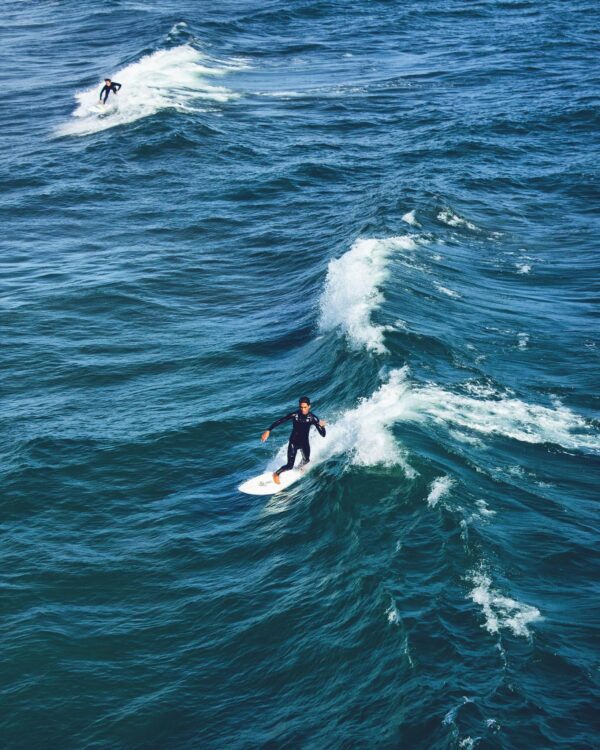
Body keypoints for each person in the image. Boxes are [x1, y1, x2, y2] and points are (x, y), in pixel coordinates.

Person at [261, 397, 326, 484]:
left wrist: (322, 426)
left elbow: (323, 434)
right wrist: (269, 430)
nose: (303, 409)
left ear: (309, 406)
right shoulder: (295, 415)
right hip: (293, 443)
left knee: (306, 460)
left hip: (304, 443)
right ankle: (276, 474)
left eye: (305, 407)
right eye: (301, 407)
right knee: (289, 466)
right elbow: (281, 420)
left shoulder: (313, 418)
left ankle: (299, 468)